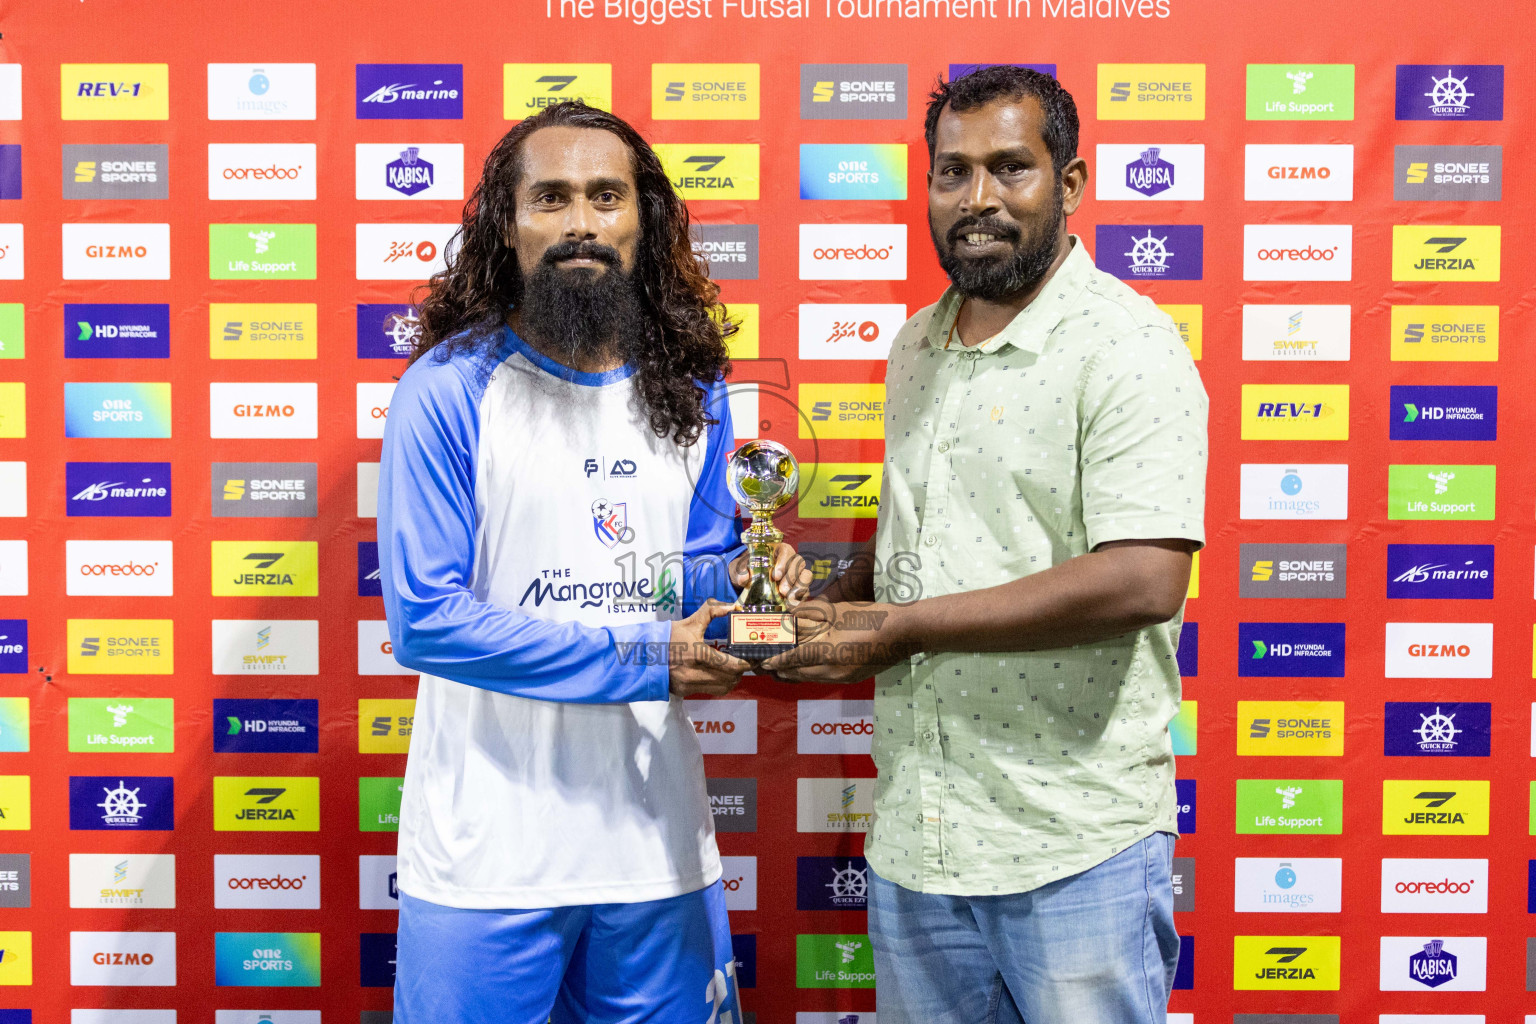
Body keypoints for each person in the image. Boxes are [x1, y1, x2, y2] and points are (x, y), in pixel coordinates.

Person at [764, 65, 1208, 1024]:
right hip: (919, 835)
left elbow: (1143, 579)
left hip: (1069, 843)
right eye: (952, 172)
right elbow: (925, 540)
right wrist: (832, 610)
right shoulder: (917, 343)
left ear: (1073, 183)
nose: (978, 200)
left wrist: (903, 628)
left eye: (1011, 168)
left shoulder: (1127, 345)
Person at [379, 100, 806, 1024]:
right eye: (552, 198)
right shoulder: (448, 390)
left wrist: (742, 584)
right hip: (487, 856)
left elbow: (682, 578)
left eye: (607, 197)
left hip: (656, 851)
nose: (582, 223)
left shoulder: (694, 389)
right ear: (508, 222)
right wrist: (647, 658)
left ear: (645, 220)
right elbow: (425, 620)